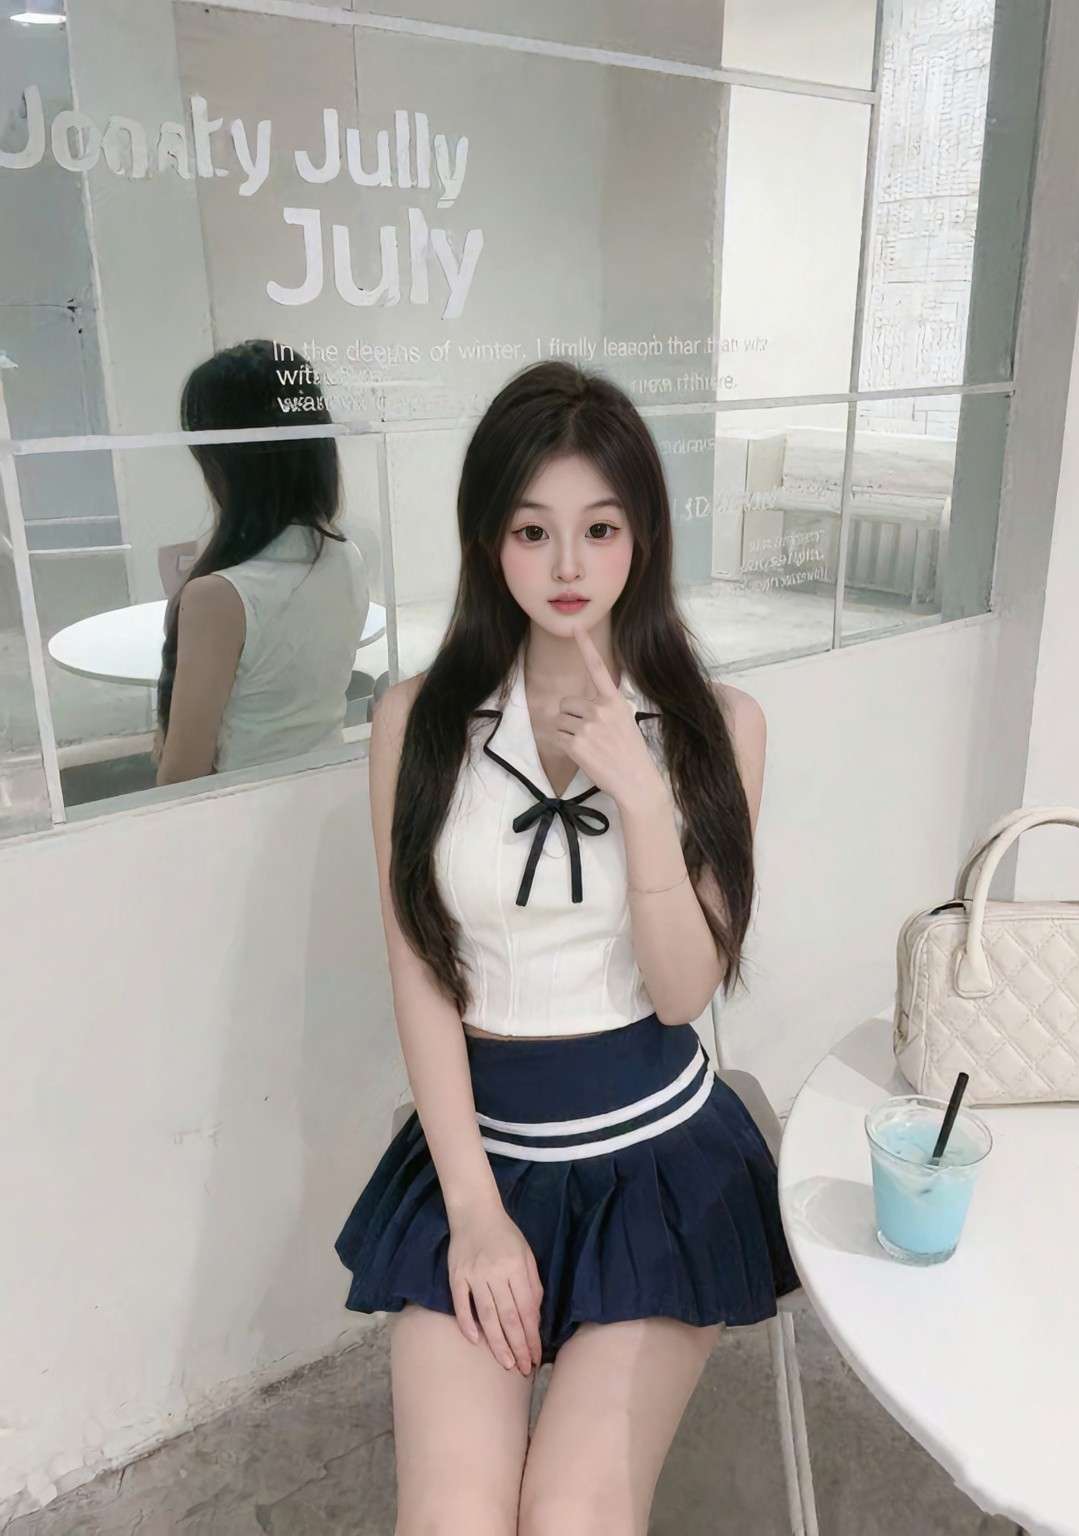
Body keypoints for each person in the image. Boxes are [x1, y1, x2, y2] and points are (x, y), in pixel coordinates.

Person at [334, 360, 801, 1535]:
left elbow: (683, 991)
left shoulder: (720, 728)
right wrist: (475, 1214)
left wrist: (643, 799)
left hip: (657, 1163)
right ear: (488, 540)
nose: (567, 566)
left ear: (643, 536)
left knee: (573, 1517)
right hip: (479, 1160)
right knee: (452, 1519)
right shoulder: (415, 723)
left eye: (600, 528)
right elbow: (420, 972)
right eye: (533, 531)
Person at [152, 338, 369, 784]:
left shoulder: (219, 597)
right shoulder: (346, 557)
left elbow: (180, 780)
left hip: (246, 810)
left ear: (224, 462)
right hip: (329, 793)